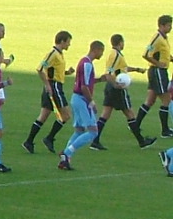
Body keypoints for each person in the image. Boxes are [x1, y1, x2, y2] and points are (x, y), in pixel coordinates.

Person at [93, 34, 155, 150]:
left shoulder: (115, 54)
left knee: (105, 114)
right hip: (116, 89)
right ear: (120, 42)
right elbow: (109, 72)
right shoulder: (115, 55)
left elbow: (123, 68)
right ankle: (142, 141)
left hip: (110, 87)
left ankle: (95, 141)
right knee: (130, 114)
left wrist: (137, 69)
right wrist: (116, 85)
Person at [22, 31, 73, 154]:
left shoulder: (59, 54)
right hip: (54, 87)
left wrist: (66, 73)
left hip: (54, 85)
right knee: (65, 115)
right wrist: (47, 85)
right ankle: (49, 138)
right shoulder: (53, 54)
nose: (69, 45)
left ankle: (29, 142)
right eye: (68, 42)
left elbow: (53, 70)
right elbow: (40, 69)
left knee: (43, 116)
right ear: (62, 41)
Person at [58, 41, 105, 171]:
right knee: (93, 131)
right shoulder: (87, 64)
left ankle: (65, 160)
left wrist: (100, 79)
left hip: (77, 98)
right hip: (82, 100)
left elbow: (86, 82)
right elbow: (84, 86)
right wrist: (91, 102)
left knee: (79, 130)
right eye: (101, 51)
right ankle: (67, 153)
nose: (102, 54)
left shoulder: (84, 62)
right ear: (96, 50)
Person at [134, 14, 172, 139]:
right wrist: (158, 64)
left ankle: (136, 124)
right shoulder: (157, 38)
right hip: (157, 72)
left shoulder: (164, 37)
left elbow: (163, 54)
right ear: (161, 25)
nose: (170, 27)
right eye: (168, 25)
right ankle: (165, 130)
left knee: (150, 100)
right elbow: (145, 54)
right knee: (166, 99)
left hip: (157, 71)